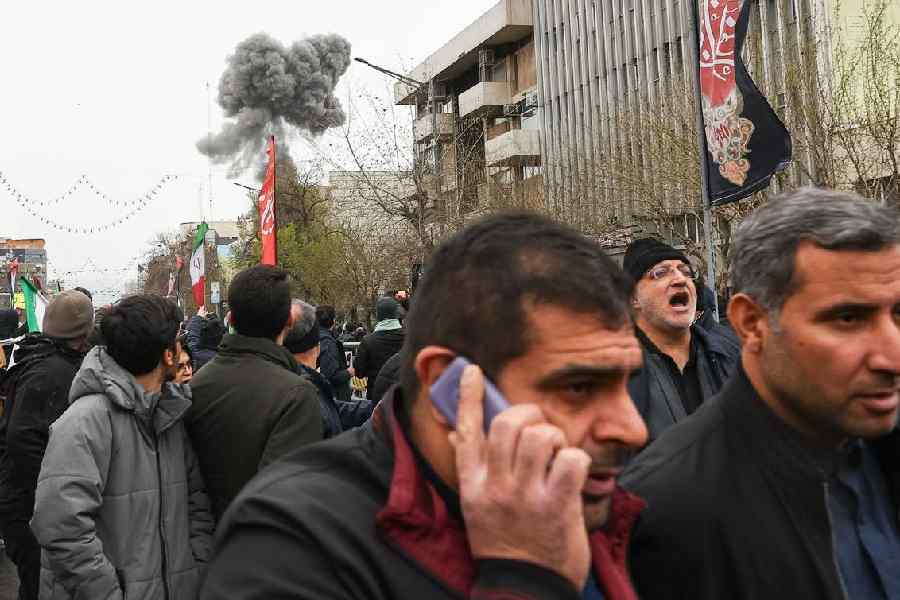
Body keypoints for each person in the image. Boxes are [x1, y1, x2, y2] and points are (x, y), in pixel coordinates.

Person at [200, 212, 649, 599]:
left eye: (627, 384)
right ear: (447, 386)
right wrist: (524, 578)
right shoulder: (290, 545)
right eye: (578, 388)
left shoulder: (620, 513)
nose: (632, 429)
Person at [622, 188, 900, 600]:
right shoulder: (664, 511)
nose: (892, 357)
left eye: (898, 314)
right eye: (847, 318)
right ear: (752, 324)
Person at [31, 294, 214, 600]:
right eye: (178, 338)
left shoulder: (169, 413)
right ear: (168, 355)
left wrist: (194, 570)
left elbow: (196, 504)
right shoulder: (84, 423)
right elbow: (62, 529)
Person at [185, 265, 322, 520]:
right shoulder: (297, 396)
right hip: (259, 539)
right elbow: (284, 501)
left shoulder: (195, 386)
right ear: (289, 321)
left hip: (201, 536)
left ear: (230, 319)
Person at [0, 291, 93, 600]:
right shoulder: (50, 372)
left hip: (27, 505)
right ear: (83, 332)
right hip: (30, 509)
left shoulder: (44, 360)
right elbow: (21, 439)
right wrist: (55, 490)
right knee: (40, 588)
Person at [623, 238, 740, 443]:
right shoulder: (617, 373)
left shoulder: (731, 354)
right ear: (634, 297)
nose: (680, 279)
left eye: (686, 272)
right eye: (660, 273)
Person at [284, 300, 372, 439]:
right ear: (317, 348)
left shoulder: (280, 381)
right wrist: (349, 372)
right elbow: (332, 379)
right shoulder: (306, 391)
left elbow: (333, 408)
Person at [354, 297, 405, 399]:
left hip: (377, 396)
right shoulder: (410, 338)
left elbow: (359, 372)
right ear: (396, 313)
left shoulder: (368, 341)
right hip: (405, 394)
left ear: (378, 315)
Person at [317, 304, 353, 403]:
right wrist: (349, 372)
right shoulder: (327, 342)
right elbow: (331, 375)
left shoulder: (317, 337)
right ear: (333, 321)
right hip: (335, 398)